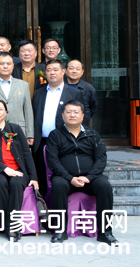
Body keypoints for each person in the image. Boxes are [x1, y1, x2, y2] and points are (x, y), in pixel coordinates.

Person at [47, 100, 118, 246]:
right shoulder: (55, 135)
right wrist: (70, 178)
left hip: (90, 178)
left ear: (83, 116)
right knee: (58, 185)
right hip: (65, 178)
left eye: (76, 112)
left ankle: (105, 232)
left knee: (104, 186)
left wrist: (89, 177)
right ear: (63, 115)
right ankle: (60, 230)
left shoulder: (92, 135)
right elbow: (53, 161)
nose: (72, 115)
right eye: (69, 112)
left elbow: (101, 158)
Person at [0, 100, 38, 241]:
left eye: (0, 109)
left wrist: (33, 177)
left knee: (17, 184)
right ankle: (11, 225)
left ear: (6, 112)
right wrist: (5, 169)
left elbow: (26, 154)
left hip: (18, 169)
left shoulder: (15, 129)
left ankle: (11, 225)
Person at [32, 60, 84, 196]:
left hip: (65, 141)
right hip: (42, 141)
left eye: (55, 69)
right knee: (42, 177)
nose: (52, 73)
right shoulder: (38, 93)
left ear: (63, 71)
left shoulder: (73, 93)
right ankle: (43, 205)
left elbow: (80, 116)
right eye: (49, 70)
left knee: (61, 177)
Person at [0, 52, 34, 142]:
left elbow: (28, 111)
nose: (5, 66)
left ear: (13, 66)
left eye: (8, 64)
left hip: (19, 131)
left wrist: (30, 134)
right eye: (1, 63)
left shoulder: (23, 85)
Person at [65, 59, 97, 125]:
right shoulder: (60, 86)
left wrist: (86, 118)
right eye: (71, 68)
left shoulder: (88, 88)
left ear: (82, 72)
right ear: (65, 70)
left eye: (78, 69)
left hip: (81, 125)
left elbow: (93, 107)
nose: (74, 71)